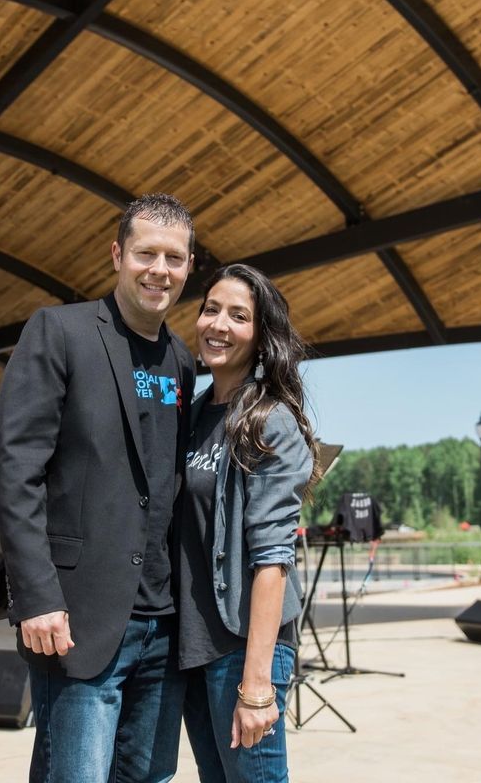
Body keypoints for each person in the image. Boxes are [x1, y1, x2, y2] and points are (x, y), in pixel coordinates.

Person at [0, 193, 197, 782]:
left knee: (148, 776)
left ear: (189, 267)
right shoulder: (60, 331)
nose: (160, 270)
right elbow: (15, 467)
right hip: (78, 616)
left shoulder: (181, 359)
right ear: (116, 255)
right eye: (146, 253)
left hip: (164, 619)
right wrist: (37, 597)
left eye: (174, 258)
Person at [176, 264, 320, 782]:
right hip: (193, 650)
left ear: (261, 338)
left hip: (242, 652)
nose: (219, 324)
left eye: (239, 316)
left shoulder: (269, 421)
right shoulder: (192, 417)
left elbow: (273, 560)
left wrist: (257, 684)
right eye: (211, 309)